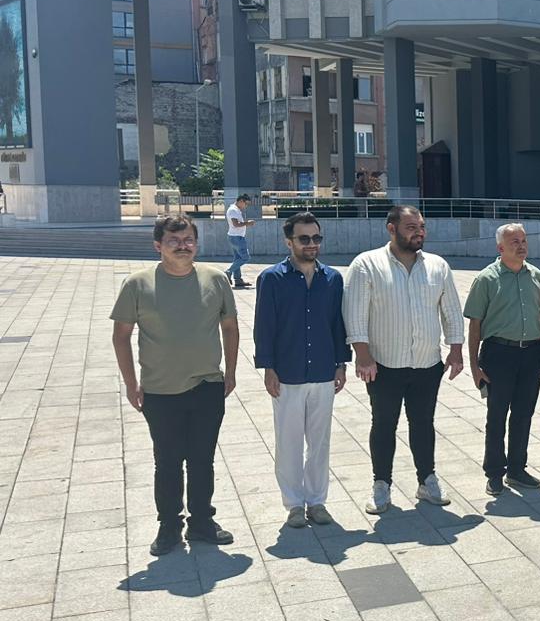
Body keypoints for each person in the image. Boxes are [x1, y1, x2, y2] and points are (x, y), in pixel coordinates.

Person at [110, 215, 239, 556]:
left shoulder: (216, 279)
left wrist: (230, 372)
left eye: (188, 240)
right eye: (174, 240)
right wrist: (131, 383)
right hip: (160, 390)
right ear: (158, 246)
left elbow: (229, 327)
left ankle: (202, 521)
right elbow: (121, 336)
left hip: (207, 386)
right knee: (167, 462)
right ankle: (169, 526)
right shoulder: (137, 284)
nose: (183, 246)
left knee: (202, 459)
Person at [344, 205, 464, 514]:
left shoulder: (437, 266)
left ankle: (427, 480)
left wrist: (455, 350)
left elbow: (451, 310)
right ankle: (381, 484)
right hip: (384, 365)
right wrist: (363, 356)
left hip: (427, 363)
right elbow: (354, 314)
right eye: (411, 227)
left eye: (421, 227)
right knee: (384, 424)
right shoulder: (367, 264)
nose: (418, 233)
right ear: (391, 229)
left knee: (423, 423)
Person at [254, 211, 349, 528]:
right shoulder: (272, 279)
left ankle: (317, 501)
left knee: (320, 443)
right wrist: (268, 367)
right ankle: (294, 504)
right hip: (288, 373)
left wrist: (341, 364)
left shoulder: (332, 279)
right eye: (304, 238)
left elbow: (337, 324)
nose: (312, 244)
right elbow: (264, 327)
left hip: (323, 371)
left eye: (316, 238)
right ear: (289, 241)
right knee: (289, 442)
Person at [464, 223, 540, 496]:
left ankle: (517, 469)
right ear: (500, 248)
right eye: (514, 242)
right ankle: (494, 473)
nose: (521, 246)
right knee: (497, 415)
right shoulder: (486, 279)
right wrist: (474, 366)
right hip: (499, 354)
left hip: (531, 353)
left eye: (523, 240)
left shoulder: (536, 276)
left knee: (524, 414)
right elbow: (475, 324)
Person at [225, 193, 255, 289]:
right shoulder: (233, 210)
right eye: (246, 204)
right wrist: (247, 223)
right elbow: (236, 224)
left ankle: (238, 280)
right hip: (236, 238)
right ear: (241, 201)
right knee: (245, 257)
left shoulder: (235, 210)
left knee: (237, 258)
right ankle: (228, 272)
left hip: (235, 237)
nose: (246, 206)